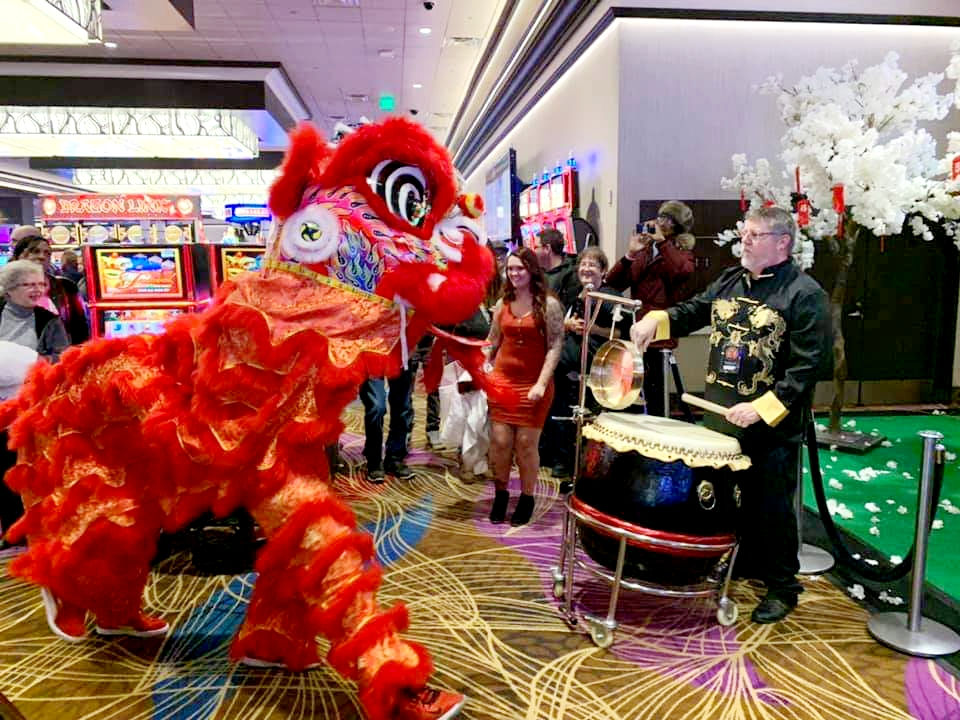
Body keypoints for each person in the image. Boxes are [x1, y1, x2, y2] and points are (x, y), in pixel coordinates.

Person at [629, 206, 831, 624]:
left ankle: (782, 586)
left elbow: (808, 368)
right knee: (731, 497)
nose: (746, 241)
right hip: (722, 414)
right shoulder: (731, 280)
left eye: (755, 235)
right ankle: (744, 561)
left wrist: (761, 409)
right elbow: (695, 310)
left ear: (782, 244)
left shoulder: (804, 294)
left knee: (771, 505)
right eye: (746, 233)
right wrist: (659, 318)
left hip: (771, 425)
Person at [485, 247, 564, 526]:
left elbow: (555, 346)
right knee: (501, 443)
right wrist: (481, 367)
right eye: (510, 269)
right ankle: (501, 493)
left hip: (534, 385)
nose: (514, 273)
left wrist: (542, 383)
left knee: (526, 445)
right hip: (502, 382)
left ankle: (528, 497)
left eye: (519, 268)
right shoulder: (501, 303)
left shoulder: (549, 304)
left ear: (531, 270)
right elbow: (493, 340)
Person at [0, 259, 70, 548]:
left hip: (29, 402)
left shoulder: (48, 320)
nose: (37, 289)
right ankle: (10, 530)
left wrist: (31, 365)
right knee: (2, 468)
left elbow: (61, 357)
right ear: (9, 289)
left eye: (40, 284)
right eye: (28, 284)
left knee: (28, 468)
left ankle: (33, 528)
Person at [605, 201, 695, 417]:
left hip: (659, 336)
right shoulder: (645, 252)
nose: (660, 222)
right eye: (660, 217)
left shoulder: (680, 251)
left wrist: (663, 244)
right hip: (636, 331)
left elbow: (681, 272)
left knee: (656, 399)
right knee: (631, 393)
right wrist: (630, 254)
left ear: (676, 226)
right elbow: (613, 283)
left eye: (667, 219)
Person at [554, 247, 623, 488]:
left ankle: (588, 472)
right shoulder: (576, 295)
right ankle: (565, 466)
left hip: (593, 373)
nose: (586, 269)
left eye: (593, 265)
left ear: (603, 271)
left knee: (591, 423)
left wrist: (591, 329)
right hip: (568, 372)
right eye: (583, 264)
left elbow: (619, 332)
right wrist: (567, 324)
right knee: (566, 419)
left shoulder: (608, 297)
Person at [11, 227, 89, 345]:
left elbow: (80, 330)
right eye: (35, 251)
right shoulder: (5, 287)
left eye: (47, 253)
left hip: (60, 356)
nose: (42, 256)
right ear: (19, 256)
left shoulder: (66, 286)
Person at [360, 369, 416, 483]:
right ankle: (374, 459)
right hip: (372, 354)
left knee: (403, 406)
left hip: (399, 355)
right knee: (376, 407)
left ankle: (394, 458)